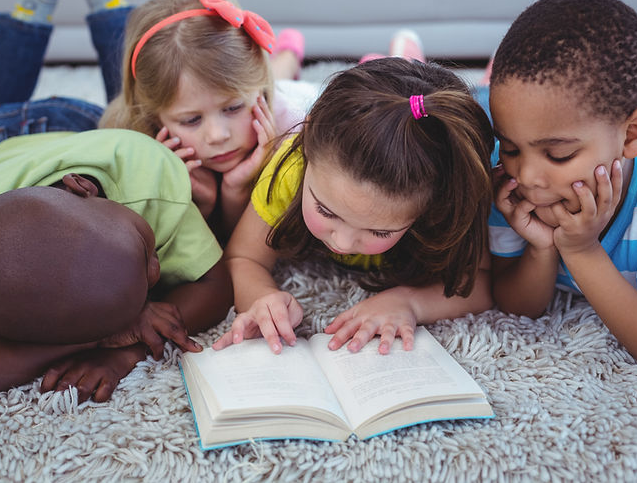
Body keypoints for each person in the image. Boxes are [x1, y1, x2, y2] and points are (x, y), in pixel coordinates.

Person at [0, 0, 311, 241]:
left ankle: (286, 56)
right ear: (154, 118)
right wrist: (194, 202)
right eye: (191, 120)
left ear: (258, 88)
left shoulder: (290, 132)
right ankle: (48, 3)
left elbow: (245, 251)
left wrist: (233, 193)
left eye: (232, 108)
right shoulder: (133, 142)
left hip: (80, 126)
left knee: (181, 79)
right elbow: (171, 258)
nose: (218, 135)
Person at [487, 0, 637, 369]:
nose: (527, 176)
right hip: (609, 137)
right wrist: (542, 249)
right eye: (510, 147)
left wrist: (582, 251)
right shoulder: (509, 178)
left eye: (558, 155)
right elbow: (515, 307)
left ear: (632, 136)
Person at [212, 57, 496, 355]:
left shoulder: (449, 195)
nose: (343, 243)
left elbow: (482, 281)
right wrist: (260, 297)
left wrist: (410, 302)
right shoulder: (290, 170)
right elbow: (243, 257)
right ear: (306, 147)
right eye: (325, 211)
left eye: (380, 232)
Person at [0, 128, 232, 406]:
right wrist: (101, 338)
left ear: (83, 187)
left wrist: (130, 352)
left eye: (144, 249)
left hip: (52, 131)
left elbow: (217, 284)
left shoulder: (144, 173)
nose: (157, 271)